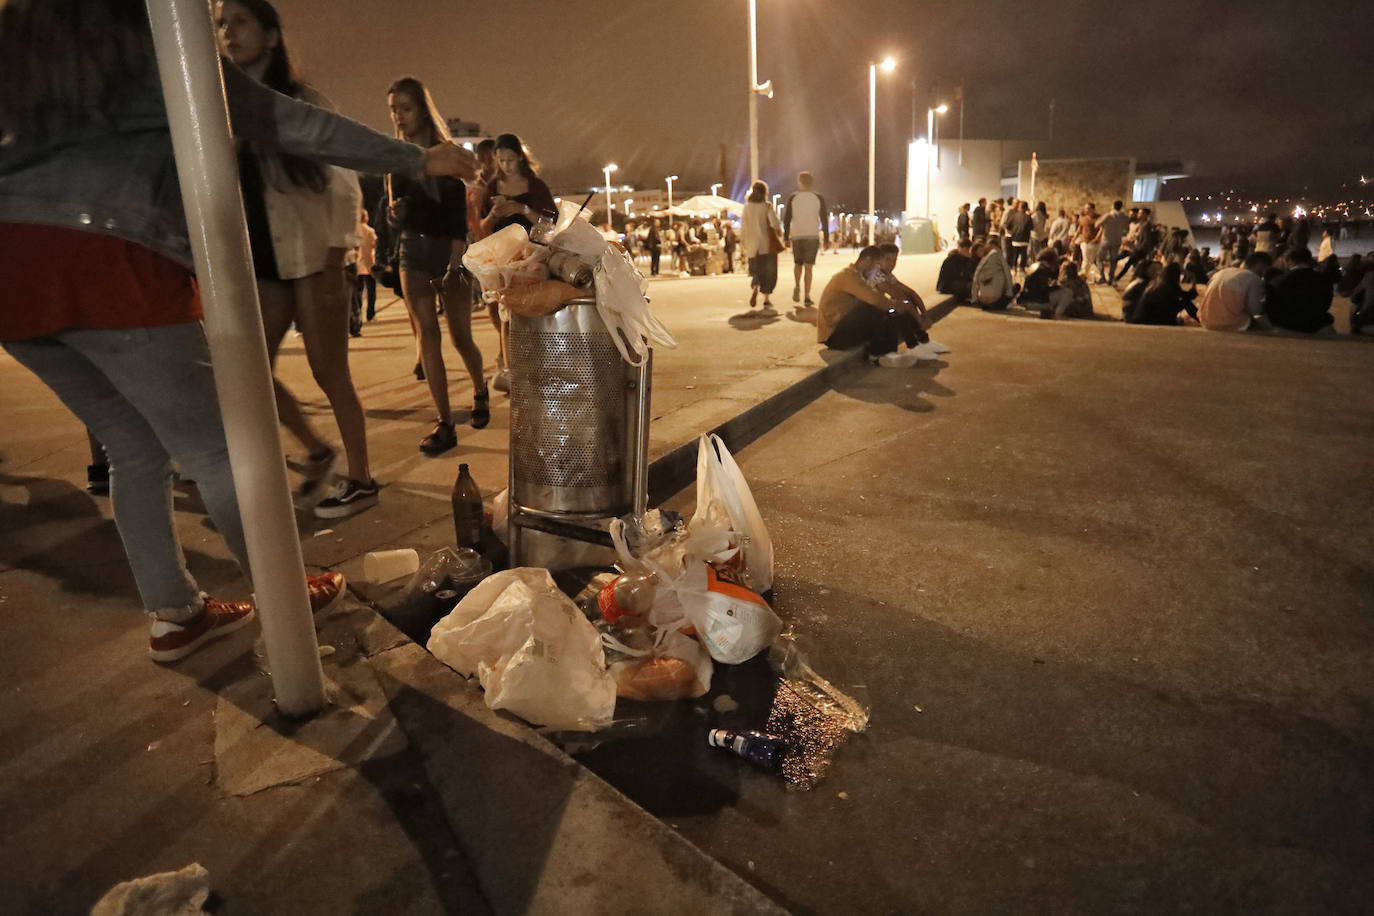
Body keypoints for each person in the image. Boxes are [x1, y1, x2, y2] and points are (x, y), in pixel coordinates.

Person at [0, 0, 475, 661]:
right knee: (221, 449)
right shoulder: (157, 28)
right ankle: (283, 598)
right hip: (113, 254)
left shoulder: (20, 32)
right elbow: (293, 122)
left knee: (132, 448)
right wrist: (418, 158)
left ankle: (176, 614)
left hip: (12, 264)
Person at [216, 0, 377, 517]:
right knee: (247, 373)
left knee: (329, 372)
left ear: (270, 35)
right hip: (263, 260)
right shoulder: (220, 108)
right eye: (221, 23)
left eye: (240, 21)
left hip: (313, 255)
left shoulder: (302, 102)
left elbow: (345, 181)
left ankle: (362, 478)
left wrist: (335, 255)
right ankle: (316, 449)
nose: (228, 32)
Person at [386, 77, 485, 454]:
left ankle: (480, 390)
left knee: (461, 337)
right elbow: (394, 218)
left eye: (406, 108)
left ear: (423, 111)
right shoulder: (395, 159)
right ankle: (445, 423)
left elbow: (458, 221)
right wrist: (395, 214)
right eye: (393, 109)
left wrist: (455, 264)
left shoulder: (446, 155)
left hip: (450, 252)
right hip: (412, 252)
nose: (399, 116)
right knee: (427, 335)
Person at [479, 132, 555, 396]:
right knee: (507, 314)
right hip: (501, 258)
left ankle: (535, 369)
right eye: (501, 160)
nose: (506, 166)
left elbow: (549, 227)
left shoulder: (535, 187)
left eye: (510, 160)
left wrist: (523, 210)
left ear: (521, 158)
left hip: (531, 257)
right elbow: (481, 228)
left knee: (531, 312)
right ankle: (512, 370)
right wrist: (493, 214)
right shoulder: (492, 188)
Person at [817, 247, 924, 362]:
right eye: (877, 264)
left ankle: (894, 351)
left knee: (890, 311)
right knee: (874, 307)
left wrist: (897, 306)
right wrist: (896, 305)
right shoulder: (846, 277)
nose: (878, 268)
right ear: (867, 260)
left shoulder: (860, 276)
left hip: (847, 328)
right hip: (834, 335)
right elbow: (873, 300)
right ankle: (880, 354)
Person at [782, 171, 829, 306]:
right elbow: (824, 219)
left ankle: (797, 285)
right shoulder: (818, 197)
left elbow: (787, 218)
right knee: (809, 267)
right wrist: (826, 238)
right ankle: (807, 296)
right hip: (812, 235)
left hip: (796, 235)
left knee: (798, 264)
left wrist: (786, 237)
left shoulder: (793, 197)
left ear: (800, 182)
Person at [1197, 252, 1273, 332]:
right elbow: (1255, 310)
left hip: (1205, 320)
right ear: (1262, 265)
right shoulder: (1254, 279)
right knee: (1263, 322)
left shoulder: (1223, 272)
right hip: (1231, 322)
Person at [1266, 246, 1334, 333]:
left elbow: (1271, 306)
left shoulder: (1278, 281)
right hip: (1316, 323)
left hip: (1286, 324)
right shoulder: (1323, 280)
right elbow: (1326, 303)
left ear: (1289, 260)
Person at [741, 180, 783, 311]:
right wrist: (779, 232)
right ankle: (766, 299)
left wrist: (744, 243)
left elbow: (743, 227)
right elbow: (775, 223)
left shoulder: (746, 207)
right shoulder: (767, 206)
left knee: (756, 271)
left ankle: (755, 285)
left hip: (752, 246)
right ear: (765, 192)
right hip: (767, 245)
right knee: (769, 273)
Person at [1126, 262, 1197, 325]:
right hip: (1157, 319)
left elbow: (1184, 295)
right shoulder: (1170, 285)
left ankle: (1198, 317)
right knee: (1185, 302)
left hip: (1146, 318)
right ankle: (1199, 318)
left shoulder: (1158, 284)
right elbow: (1184, 298)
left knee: (1184, 302)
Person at [972, 237, 1015, 309]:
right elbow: (1007, 274)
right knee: (1015, 286)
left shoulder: (983, 260)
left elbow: (975, 279)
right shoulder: (997, 254)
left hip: (982, 302)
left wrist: (974, 299)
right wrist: (1009, 292)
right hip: (994, 301)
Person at [1095, 199, 1130, 284]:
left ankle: (1102, 276)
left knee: (1099, 259)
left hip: (1106, 240)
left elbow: (1097, 225)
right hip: (1117, 241)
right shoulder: (1125, 216)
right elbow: (1126, 230)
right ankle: (1111, 278)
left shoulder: (1108, 215)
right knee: (1113, 260)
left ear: (1113, 206)